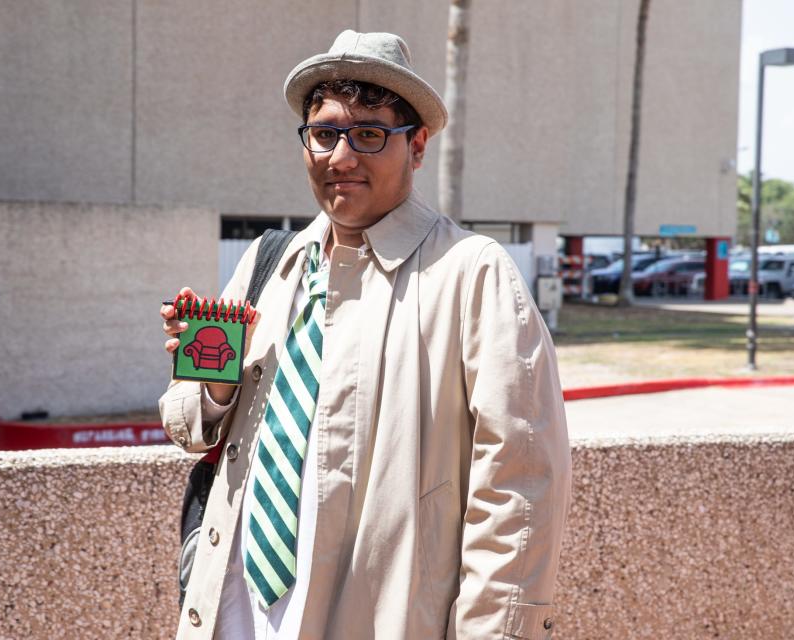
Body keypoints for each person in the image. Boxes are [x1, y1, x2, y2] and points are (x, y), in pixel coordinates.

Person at [159, 29, 571, 640]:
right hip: (232, 611)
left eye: (369, 135)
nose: (341, 158)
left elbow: (521, 479)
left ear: (418, 146)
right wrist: (214, 383)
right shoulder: (271, 261)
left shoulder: (471, 273)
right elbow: (189, 427)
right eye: (324, 134)